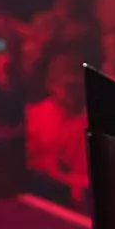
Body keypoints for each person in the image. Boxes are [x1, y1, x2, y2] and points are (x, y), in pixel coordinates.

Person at [23, 53, 90, 205]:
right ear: (52, 85)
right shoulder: (34, 116)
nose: (74, 94)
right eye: (69, 87)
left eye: (78, 87)